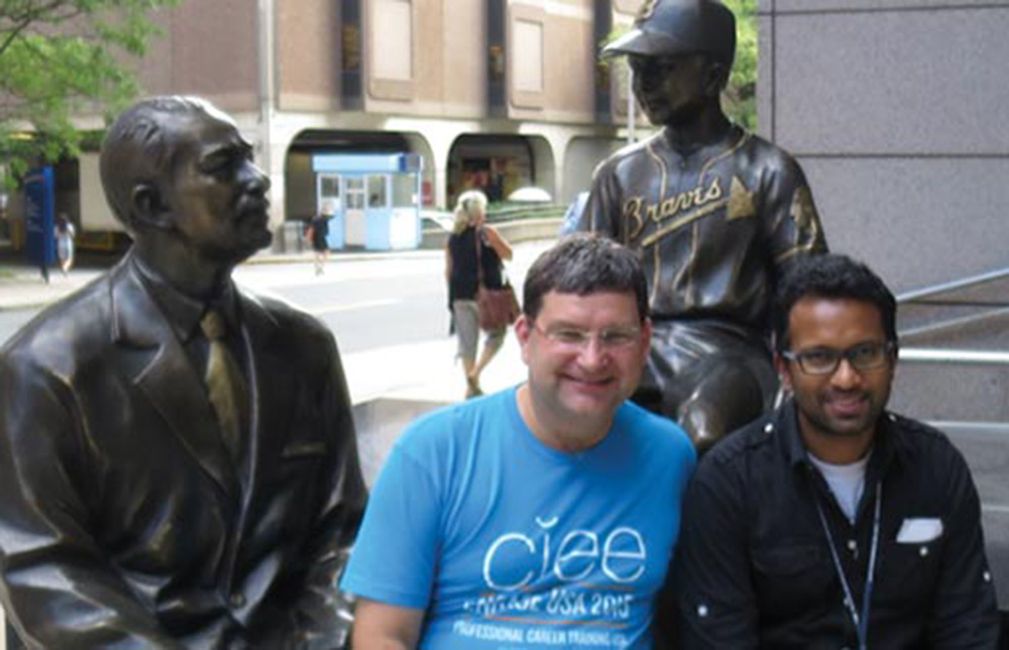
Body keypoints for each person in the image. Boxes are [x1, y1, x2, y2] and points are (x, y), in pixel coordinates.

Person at [0, 96, 366, 648]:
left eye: (250, 158)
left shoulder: (304, 347)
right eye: (224, 167)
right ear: (152, 207)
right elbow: (44, 572)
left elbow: (340, 535)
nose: (258, 179)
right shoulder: (49, 369)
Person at [341, 235, 696, 648]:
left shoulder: (671, 457)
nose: (593, 358)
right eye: (569, 334)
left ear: (645, 340)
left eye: (616, 337)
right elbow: (383, 634)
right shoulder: (433, 451)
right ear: (525, 337)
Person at [669, 253, 999, 648]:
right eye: (819, 357)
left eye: (865, 353)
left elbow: (967, 629)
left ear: (892, 359)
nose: (847, 378)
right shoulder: (729, 481)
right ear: (783, 369)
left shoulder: (937, 467)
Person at [577, 0, 827, 451]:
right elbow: (580, 285)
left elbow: (807, 289)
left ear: (713, 76)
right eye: (637, 69)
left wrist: (803, 371)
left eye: (662, 68)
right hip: (633, 345)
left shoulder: (767, 169)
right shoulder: (619, 173)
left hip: (730, 352)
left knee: (703, 429)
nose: (644, 84)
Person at [444, 189, 513, 398]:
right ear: (478, 212)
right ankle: (476, 373)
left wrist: (453, 296)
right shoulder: (487, 233)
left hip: (459, 295)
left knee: (467, 343)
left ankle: (471, 389)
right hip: (485, 294)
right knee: (497, 335)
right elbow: (508, 255)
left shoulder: (452, 238)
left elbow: (448, 271)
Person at [307, 205, 331, 275]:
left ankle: (317, 267)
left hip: (316, 238)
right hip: (320, 237)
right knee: (326, 252)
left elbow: (311, 229)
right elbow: (312, 230)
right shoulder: (323, 219)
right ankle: (321, 267)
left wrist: (309, 239)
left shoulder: (316, 219)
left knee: (317, 252)